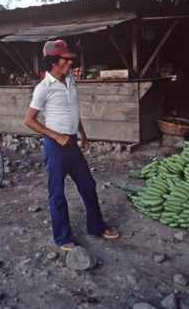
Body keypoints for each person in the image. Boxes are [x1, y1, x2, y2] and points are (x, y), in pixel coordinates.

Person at [24, 40, 119, 251]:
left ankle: (96, 227)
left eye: (69, 59)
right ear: (52, 63)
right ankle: (62, 237)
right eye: (65, 60)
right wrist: (56, 136)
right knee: (57, 193)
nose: (70, 63)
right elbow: (29, 120)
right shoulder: (43, 88)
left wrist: (82, 134)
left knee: (88, 184)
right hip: (55, 146)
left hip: (72, 143)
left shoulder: (71, 80)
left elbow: (73, 111)